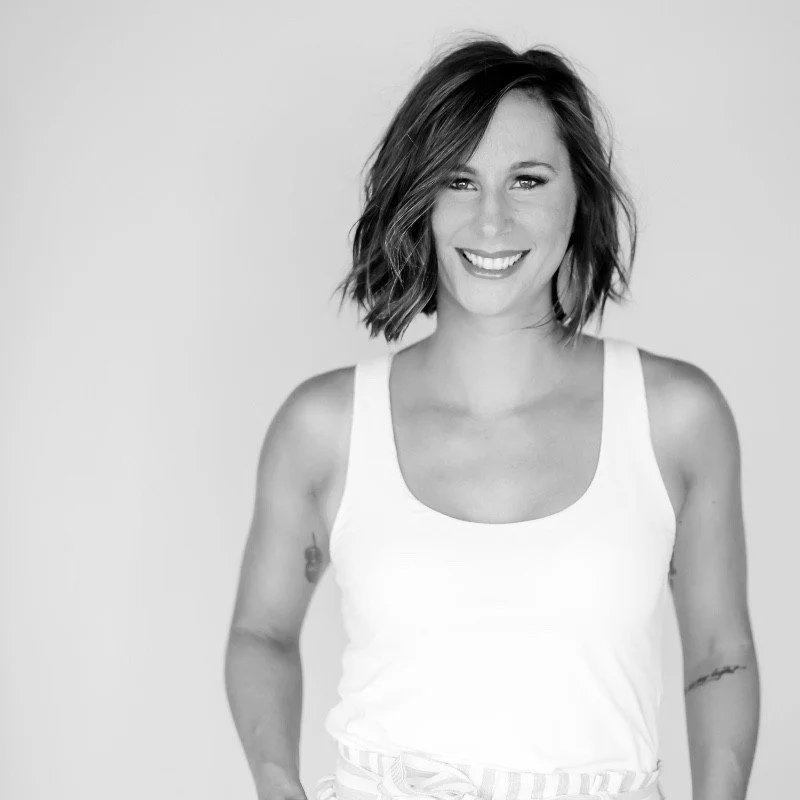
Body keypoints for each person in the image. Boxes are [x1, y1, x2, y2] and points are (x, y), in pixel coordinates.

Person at [225, 35, 759, 800]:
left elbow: (719, 654)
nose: (492, 219)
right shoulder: (325, 428)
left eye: (529, 180)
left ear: (580, 199)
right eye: (460, 180)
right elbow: (261, 634)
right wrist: (280, 786)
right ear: (421, 198)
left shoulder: (677, 419)